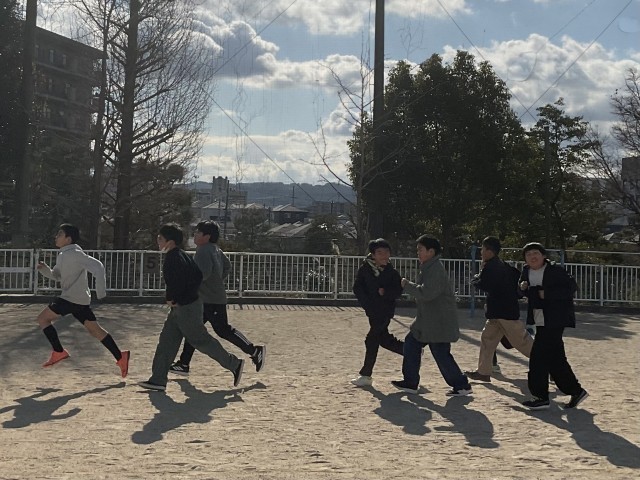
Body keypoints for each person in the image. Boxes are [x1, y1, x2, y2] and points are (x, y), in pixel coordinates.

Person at [139, 224, 244, 392]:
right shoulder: (181, 255)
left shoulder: (174, 258)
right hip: (184, 306)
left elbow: (177, 282)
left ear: (170, 242)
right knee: (167, 341)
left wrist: (173, 298)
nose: (157, 241)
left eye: (160, 238)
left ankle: (234, 364)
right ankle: (158, 379)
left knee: (201, 341)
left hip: (186, 308)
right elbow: (196, 277)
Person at [169, 221, 265, 376]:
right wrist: (217, 281)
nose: (195, 235)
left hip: (210, 300)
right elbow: (227, 266)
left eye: (198, 232)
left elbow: (203, 274)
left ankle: (254, 350)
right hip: (209, 297)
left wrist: (189, 285)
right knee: (194, 330)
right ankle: (184, 363)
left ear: (206, 236)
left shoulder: (203, 250)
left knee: (222, 330)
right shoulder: (215, 249)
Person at [35, 223, 130, 378]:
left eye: (60, 234)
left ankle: (59, 351)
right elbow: (57, 276)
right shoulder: (63, 254)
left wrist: (101, 292)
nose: (56, 237)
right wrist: (45, 270)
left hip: (71, 298)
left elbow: (98, 266)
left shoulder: (75, 254)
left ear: (68, 239)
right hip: (79, 300)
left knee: (43, 319)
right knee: (95, 330)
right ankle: (121, 357)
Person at [391, 235, 472, 396]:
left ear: (431, 251)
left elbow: (427, 293)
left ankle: (460, 385)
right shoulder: (430, 267)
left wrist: (407, 285)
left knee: (439, 353)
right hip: (430, 322)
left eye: (420, 249)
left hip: (437, 322)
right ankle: (412, 382)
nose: (418, 253)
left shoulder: (435, 270)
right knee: (415, 345)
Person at [519, 242, 588, 410]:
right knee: (556, 359)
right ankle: (576, 390)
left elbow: (571, 288)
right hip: (539, 318)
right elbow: (522, 290)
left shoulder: (555, 271)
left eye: (536, 253)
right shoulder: (526, 271)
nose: (532, 257)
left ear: (544, 256)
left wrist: (547, 293)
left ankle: (540, 397)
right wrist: (522, 288)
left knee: (538, 357)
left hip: (556, 318)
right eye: (528, 254)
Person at [466, 236, 533, 382]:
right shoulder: (502, 265)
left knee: (523, 343)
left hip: (503, 312)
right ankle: (483, 372)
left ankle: (550, 366)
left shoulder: (491, 267)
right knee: (487, 340)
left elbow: (484, 284)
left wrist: (474, 279)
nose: (481, 252)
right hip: (500, 312)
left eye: (483, 249)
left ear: (490, 251)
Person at [350, 238, 404, 387]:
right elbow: (357, 288)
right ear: (373, 255)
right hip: (372, 311)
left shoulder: (392, 272)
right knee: (384, 339)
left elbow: (398, 291)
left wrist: (385, 292)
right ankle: (410, 351)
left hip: (385, 311)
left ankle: (366, 375)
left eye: (386, 252)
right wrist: (367, 304)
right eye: (380, 252)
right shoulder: (365, 269)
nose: (384, 255)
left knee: (371, 340)